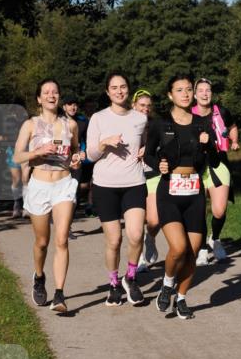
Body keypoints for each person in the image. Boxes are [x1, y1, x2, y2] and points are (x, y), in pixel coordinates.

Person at [143, 74, 216, 320]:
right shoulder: (159, 124)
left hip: (194, 192)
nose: (185, 94)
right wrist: (159, 165)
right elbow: (148, 155)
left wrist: (208, 145)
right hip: (169, 191)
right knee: (179, 247)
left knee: (192, 252)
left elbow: (213, 161)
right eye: (179, 90)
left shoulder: (202, 123)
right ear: (170, 95)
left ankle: (182, 297)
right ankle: (167, 283)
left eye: (188, 89)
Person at [13, 78, 83, 313]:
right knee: (42, 242)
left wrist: (75, 158)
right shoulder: (30, 125)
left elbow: (76, 150)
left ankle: (59, 295)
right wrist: (38, 151)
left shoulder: (70, 125)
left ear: (59, 97)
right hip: (39, 185)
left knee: (61, 239)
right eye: (46, 92)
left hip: (63, 183)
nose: (52, 95)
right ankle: (39, 276)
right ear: (39, 99)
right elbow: (17, 157)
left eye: (55, 91)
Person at [86, 74, 149, 307]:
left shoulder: (140, 118)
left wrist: (145, 151)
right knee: (114, 240)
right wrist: (104, 144)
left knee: (135, 235)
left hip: (134, 182)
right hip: (105, 185)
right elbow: (91, 155)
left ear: (128, 90)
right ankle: (113, 283)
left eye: (123, 87)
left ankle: (130, 279)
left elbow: (145, 143)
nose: (119, 91)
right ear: (107, 92)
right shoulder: (98, 118)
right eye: (114, 88)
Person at [192, 78, 239, 264]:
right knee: (199, 210)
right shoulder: (189, 114)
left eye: (208, 90)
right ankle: (202, 247)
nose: (205, 93)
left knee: (219, 210)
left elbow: (233, 126)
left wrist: (234, 141)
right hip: (195, 165)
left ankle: (215, 238)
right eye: (201, 90)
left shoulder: (222, 112)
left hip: (218, 162)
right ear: (194, 94)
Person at [132, 89, 161, 273]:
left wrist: (149, 151)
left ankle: (150, 238)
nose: (145, 109)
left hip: (153, 175)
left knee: (154, 220)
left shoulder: (156, 125)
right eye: (142, 105)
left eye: (148, 106)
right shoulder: (126, 124)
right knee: (136, 223)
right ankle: (140, 258)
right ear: (133, 105)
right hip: (132, 177)